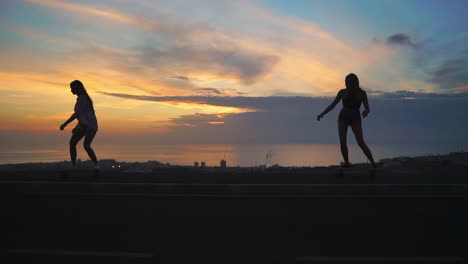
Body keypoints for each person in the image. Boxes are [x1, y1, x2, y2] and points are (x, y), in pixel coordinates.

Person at [317, 73, 376, 168]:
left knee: (360, 142)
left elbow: (367, 108)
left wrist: (366, 111)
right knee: (343, 141)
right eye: (345, 82)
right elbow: (332, 105)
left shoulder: (362, 93)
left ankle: (373, 163)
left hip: (355, 118)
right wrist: (322, 114)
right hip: (343, 117)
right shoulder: (342, 92)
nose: (346, 84)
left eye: (347, 82)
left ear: (354, 82)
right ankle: (347, 162)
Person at [60, 80, 99, 168]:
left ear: (76, 88)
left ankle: (75, 165)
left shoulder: (82, 98)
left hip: (88, 125)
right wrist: (67, 124)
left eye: (72, 88)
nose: (71, 90)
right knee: (85, 145)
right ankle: (96, 164)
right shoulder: (83, 98)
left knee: (75, 144)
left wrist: (66, 124)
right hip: (89, 125)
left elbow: (78, 114)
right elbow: (80, 115)